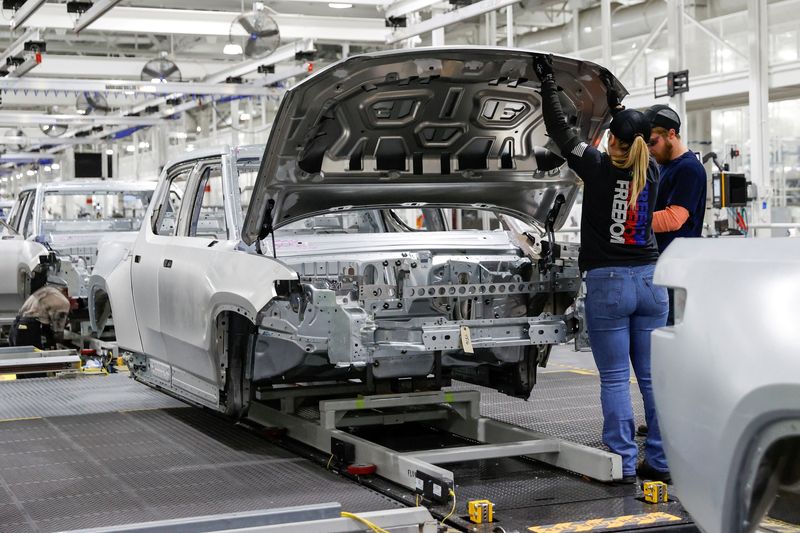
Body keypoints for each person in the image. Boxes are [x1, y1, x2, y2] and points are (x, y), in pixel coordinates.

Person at [534, 55, 671, 484]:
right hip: (651, 283)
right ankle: (662, 462)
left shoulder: (595, 167)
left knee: (614, 379)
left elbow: (561, 132)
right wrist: (614, 105)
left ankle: (624, 463)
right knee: (652, 380)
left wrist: (548, 85)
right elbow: (626, 135)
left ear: (611, 141)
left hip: (610, 285)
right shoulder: (652, 171)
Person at [10, 285, 71, 350]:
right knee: (33, 358)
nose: (77, 304)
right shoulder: (63, 301)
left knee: (20, 358)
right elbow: (58, 333)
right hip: (29, 328)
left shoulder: (49, 290)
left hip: (16, 326)